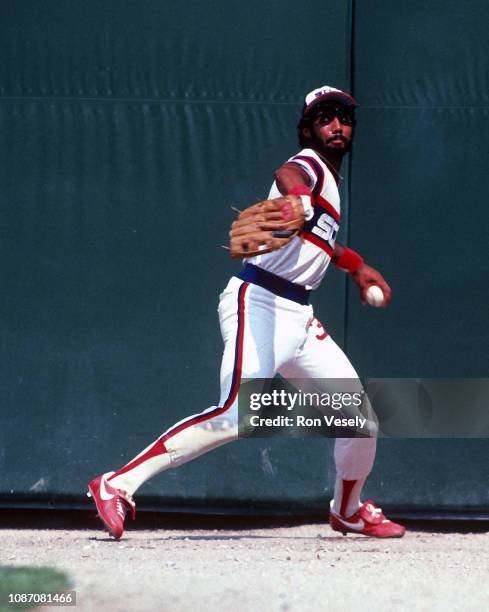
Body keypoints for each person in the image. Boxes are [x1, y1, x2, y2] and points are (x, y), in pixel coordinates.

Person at [88, 85, 405, 539]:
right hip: (258, 303)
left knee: (360, 421)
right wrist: (299, 197)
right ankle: (116, 485)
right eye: (325, 117)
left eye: (344, 117)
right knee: (237, 415)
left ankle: (347, 510)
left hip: (298, 316)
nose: (337, 125)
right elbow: (289, 173)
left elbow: (319, 238)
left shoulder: (330, 184)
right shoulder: (309, 167)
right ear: (307, 128)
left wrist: (355, 266)